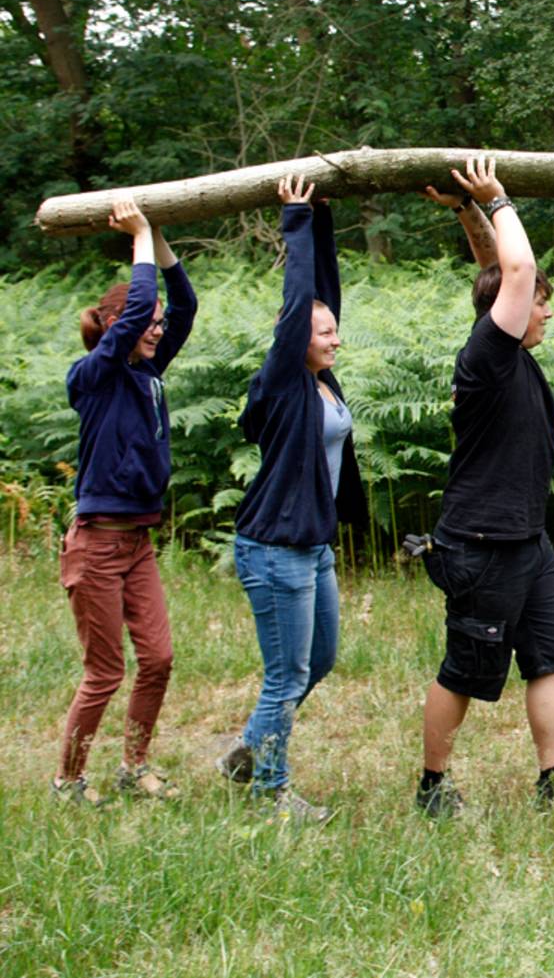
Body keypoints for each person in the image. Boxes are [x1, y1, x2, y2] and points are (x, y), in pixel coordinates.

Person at [414, 156, 554, 819]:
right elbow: (518, 273)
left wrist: (467, 210)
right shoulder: (486, 357)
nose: (545, 313)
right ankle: (432, 784)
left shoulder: (512, 354)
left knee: (550, 653)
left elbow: (500, 270)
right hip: (481, 543)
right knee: (466, 669)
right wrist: (498, 195)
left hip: (526, 540)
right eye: (539, 305)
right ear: (514, 311)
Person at [218, 175, 364, 823]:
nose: (334, 337)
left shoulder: (319, 376)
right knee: (286, 673)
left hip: (310, 547)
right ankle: (271, 790)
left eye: (333, 330)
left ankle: (246, 750)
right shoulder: (282, 381)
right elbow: (301, 296)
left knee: (320, 659)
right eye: (323, 331)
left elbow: (320, 296)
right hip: (273, 549)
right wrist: (296, 217)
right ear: (293, 338)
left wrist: (325, 223)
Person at [55, 200, 196, 806]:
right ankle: (69, 780)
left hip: (137, 541)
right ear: (115, 329)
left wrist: (158, 237)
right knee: (105, 673)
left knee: (159, 659)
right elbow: (140, 306)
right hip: (96, 545)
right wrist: (136, 235)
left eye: (158, 324)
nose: (157, 328)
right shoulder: (95, 375)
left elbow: (183, 306)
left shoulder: (146, 372)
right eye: (147, 323)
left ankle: (133, 765)